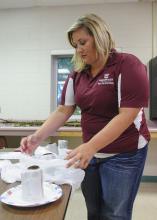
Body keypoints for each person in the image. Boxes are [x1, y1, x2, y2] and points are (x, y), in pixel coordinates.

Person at [20, 14, 150, 220]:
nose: (78, 49)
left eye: (83, 42)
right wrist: (37, 137)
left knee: (115, 213)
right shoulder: (78, 74)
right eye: (75, 45)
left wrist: (91, 146)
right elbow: (64, 109)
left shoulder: (127, 65)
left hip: (124, 155)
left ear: (100, 37)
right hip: (90, 154)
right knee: (94, 211)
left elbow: (126, 115)